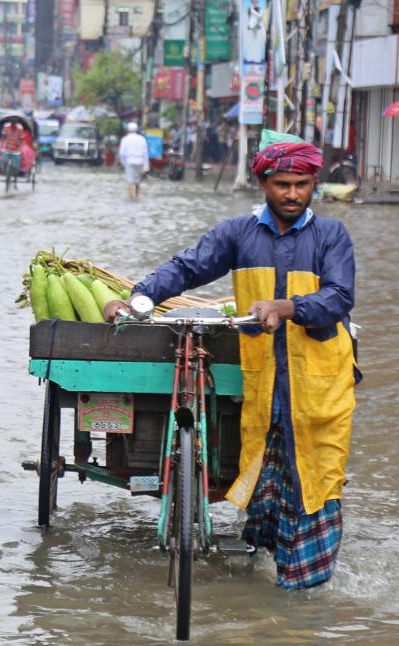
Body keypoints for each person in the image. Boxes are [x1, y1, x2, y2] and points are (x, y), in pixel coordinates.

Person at [104, 137, 359, 590]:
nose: (292, 194)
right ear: (263, 183)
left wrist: (288, 307)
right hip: (264, 385)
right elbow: (186, 267)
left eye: (302, 184)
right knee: (265, 482)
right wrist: (137, 298)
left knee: (317, 482)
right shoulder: (238, 233)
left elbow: (338, 297)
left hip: (319, 388)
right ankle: (265, 581)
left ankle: (305, 597)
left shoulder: (331, 236)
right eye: (282, 184)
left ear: (314, 184)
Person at [117, 122, 150, 200]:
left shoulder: (125, 139)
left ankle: (131, 198)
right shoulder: (142, 139)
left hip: (130, 161)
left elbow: (122, 153)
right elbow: (145, 153)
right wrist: (146, 167)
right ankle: (137, 196)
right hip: (140, 162)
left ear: (128, 130)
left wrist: (124, 163)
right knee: (137, 181)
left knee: (130, 181)